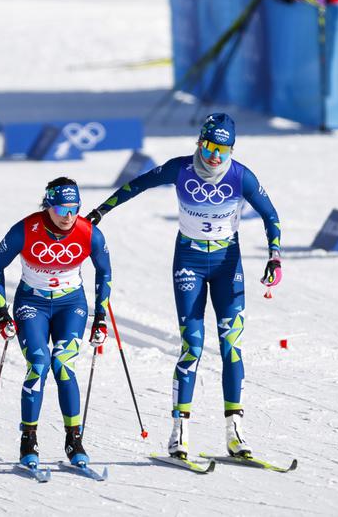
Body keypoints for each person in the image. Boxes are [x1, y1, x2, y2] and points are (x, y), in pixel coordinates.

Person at [84, 113, 281, 461]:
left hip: (226, 264)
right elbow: (138, 184)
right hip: (189, 261)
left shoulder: (241, 176)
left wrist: (274, 257)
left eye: (222, 149)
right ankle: (179, 431)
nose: (214, 156)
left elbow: (271, 216)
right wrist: (100, 212)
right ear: (199, 142)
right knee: (192, 346)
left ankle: (235, 431)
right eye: (208, 146)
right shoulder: (180, 169)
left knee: (231, 345)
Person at [0, 178, 111, 469]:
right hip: (32, 303)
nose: (68, 216)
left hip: (71, 304)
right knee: (39, 364)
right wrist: (1, 312)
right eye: (61, 209)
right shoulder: (25, 229)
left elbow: (104, 272)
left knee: (62, 363)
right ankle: (28, 439)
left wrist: (101, 317)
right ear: (48, 206)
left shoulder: (89, 233)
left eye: (74, 209)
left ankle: (74, 439)